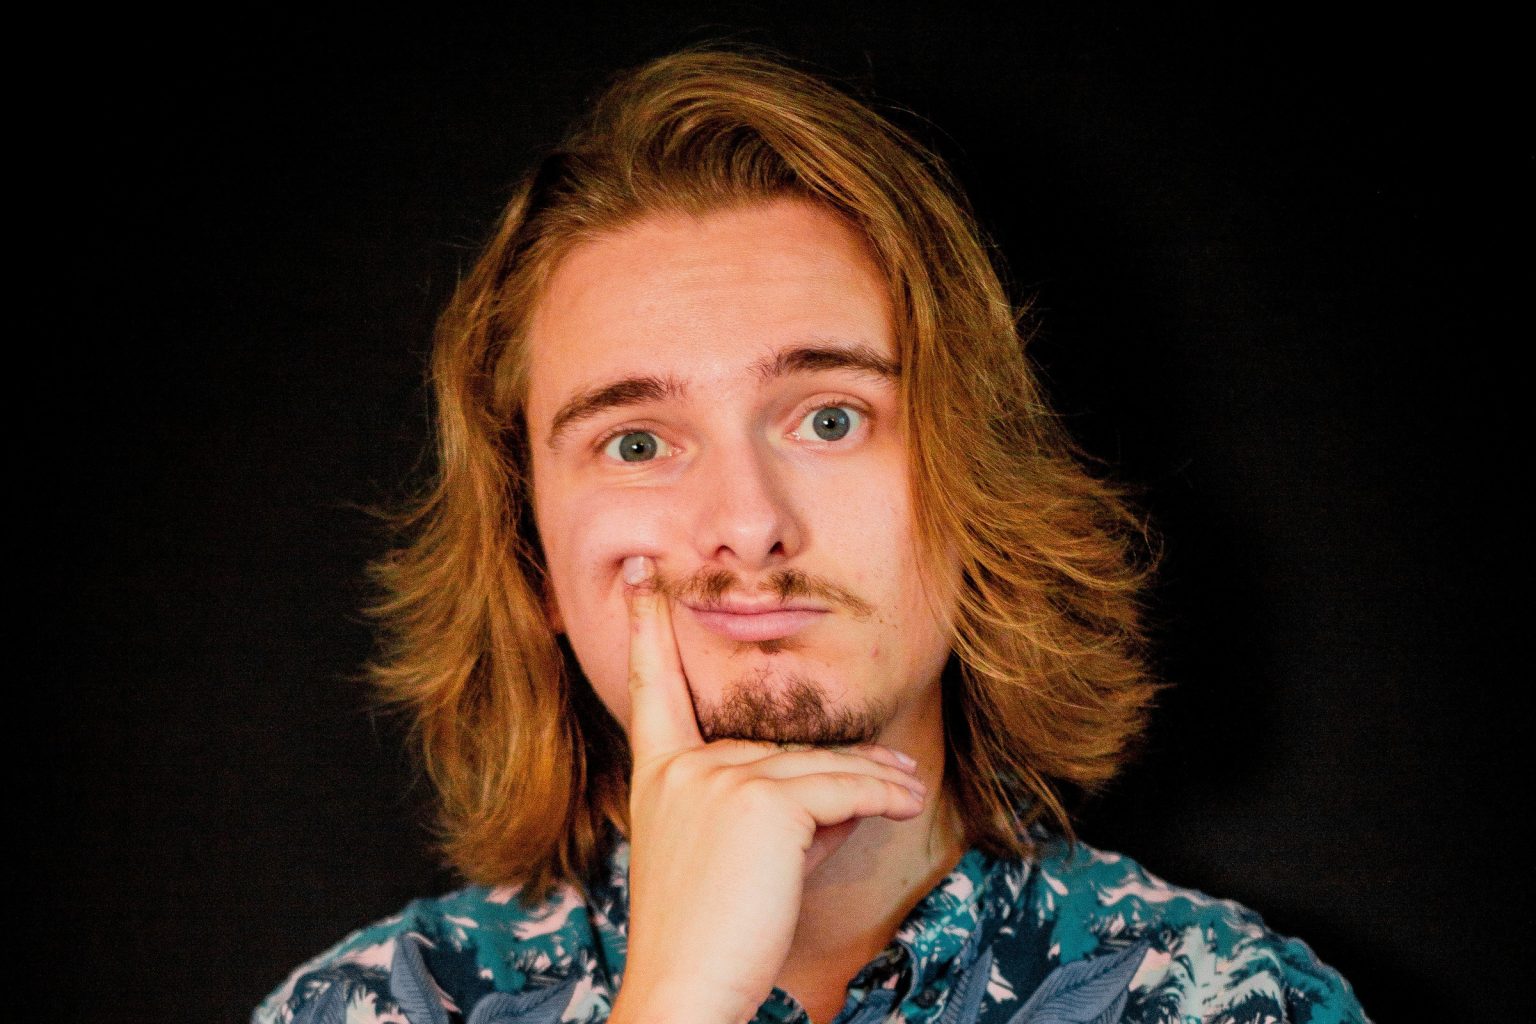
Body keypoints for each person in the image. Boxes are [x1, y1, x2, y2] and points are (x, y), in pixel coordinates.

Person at [254, 48, 1367, 1024]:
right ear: (529, 551)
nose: (748, 525)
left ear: (976, 484)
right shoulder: (370, 1006)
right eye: (636, 443)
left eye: (831, 419)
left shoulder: (1231, 1001)